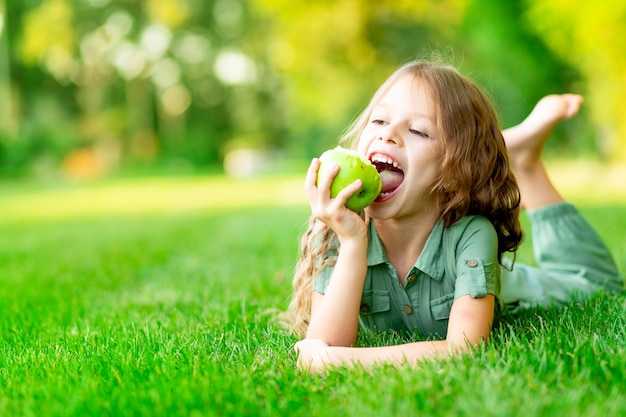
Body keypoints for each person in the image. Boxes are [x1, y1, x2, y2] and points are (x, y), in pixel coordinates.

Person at [288, 60, 624, 373]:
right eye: (378, 120)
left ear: (451, 172)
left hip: (523, 287)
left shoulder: (471, 234)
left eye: (418, 131)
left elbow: (464, 350)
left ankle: (525, 164)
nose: (387, 134)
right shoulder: (341, 226)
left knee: (601, 287)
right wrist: (352, 242)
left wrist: (342, 362)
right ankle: (513, 151)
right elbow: (322, 344)